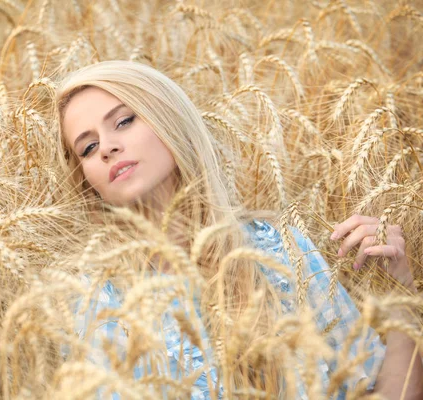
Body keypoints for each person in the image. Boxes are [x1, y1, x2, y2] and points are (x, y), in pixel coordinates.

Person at [52, 60, 422, 398]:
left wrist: (399, 291)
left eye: (123, 121)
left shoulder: (281, 251)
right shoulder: (99, 301)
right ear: (88, 181)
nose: (107, 148)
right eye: (88, 147)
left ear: (169, 119)